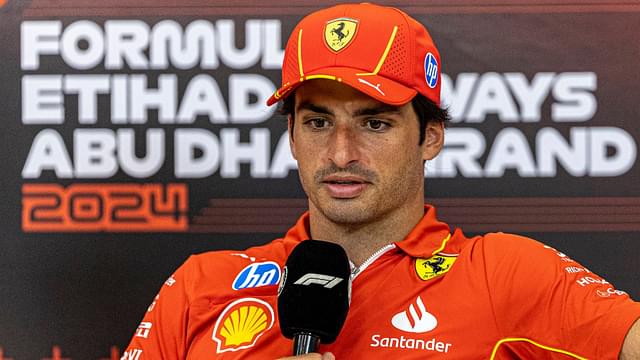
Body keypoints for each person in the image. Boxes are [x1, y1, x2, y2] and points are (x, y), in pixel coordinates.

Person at [122, 3, 640, 359]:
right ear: (293, 137)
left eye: (375, 123)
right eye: (318, 122)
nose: (341, 153)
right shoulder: (200, 286)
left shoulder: (506, 274)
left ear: (431, 137)